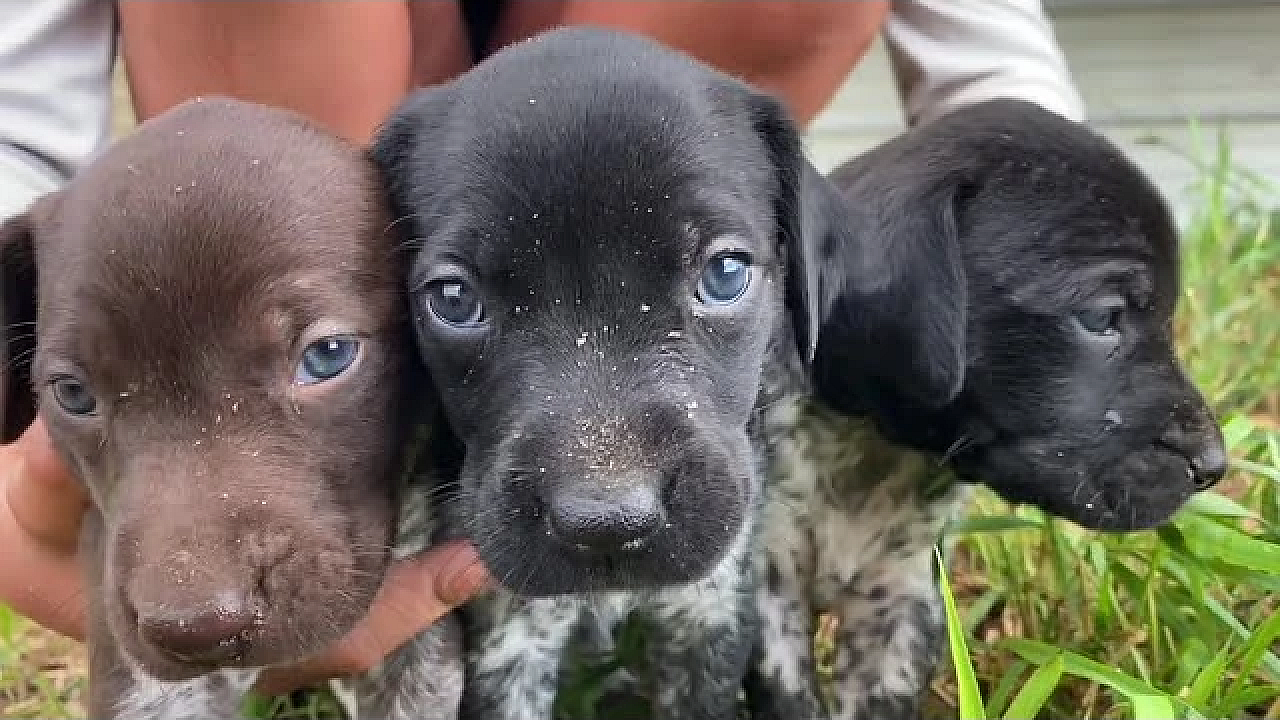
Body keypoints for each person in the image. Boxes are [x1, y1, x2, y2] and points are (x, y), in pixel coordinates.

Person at [0, 0, 1085, 694]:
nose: (605, 485)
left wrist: (1049, 274)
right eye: (452, 297)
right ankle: (333, 328)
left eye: (721, 274)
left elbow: (995, 92)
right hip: (288, 179)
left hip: (641, 90)